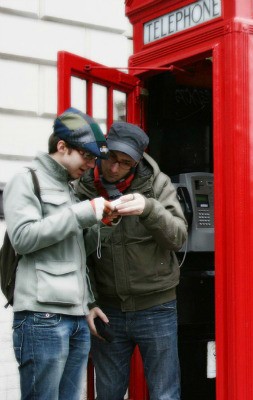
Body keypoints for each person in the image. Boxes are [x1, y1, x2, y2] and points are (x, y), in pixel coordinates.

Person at [3, 107, 113, 399]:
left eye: (94, 158)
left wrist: (98, 223)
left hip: (76, 316)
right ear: (62, 147)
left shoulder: (71, 190)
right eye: (87, 156)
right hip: (42, 316)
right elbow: (23, 238)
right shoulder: (26, 181)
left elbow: (74, 255)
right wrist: (81, 214)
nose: (91, 165)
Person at [76, 121, 187, 399]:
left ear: (136, 163)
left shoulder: (157, 185)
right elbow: (77, 254)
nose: (114, 168)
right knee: (109, 393)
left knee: (165, 393)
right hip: (108, 310)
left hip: (157, 307)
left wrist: (150, 209)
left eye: (125, 163)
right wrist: (89, 302)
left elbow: (178, 237)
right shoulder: (85, 187)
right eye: (111, 158)